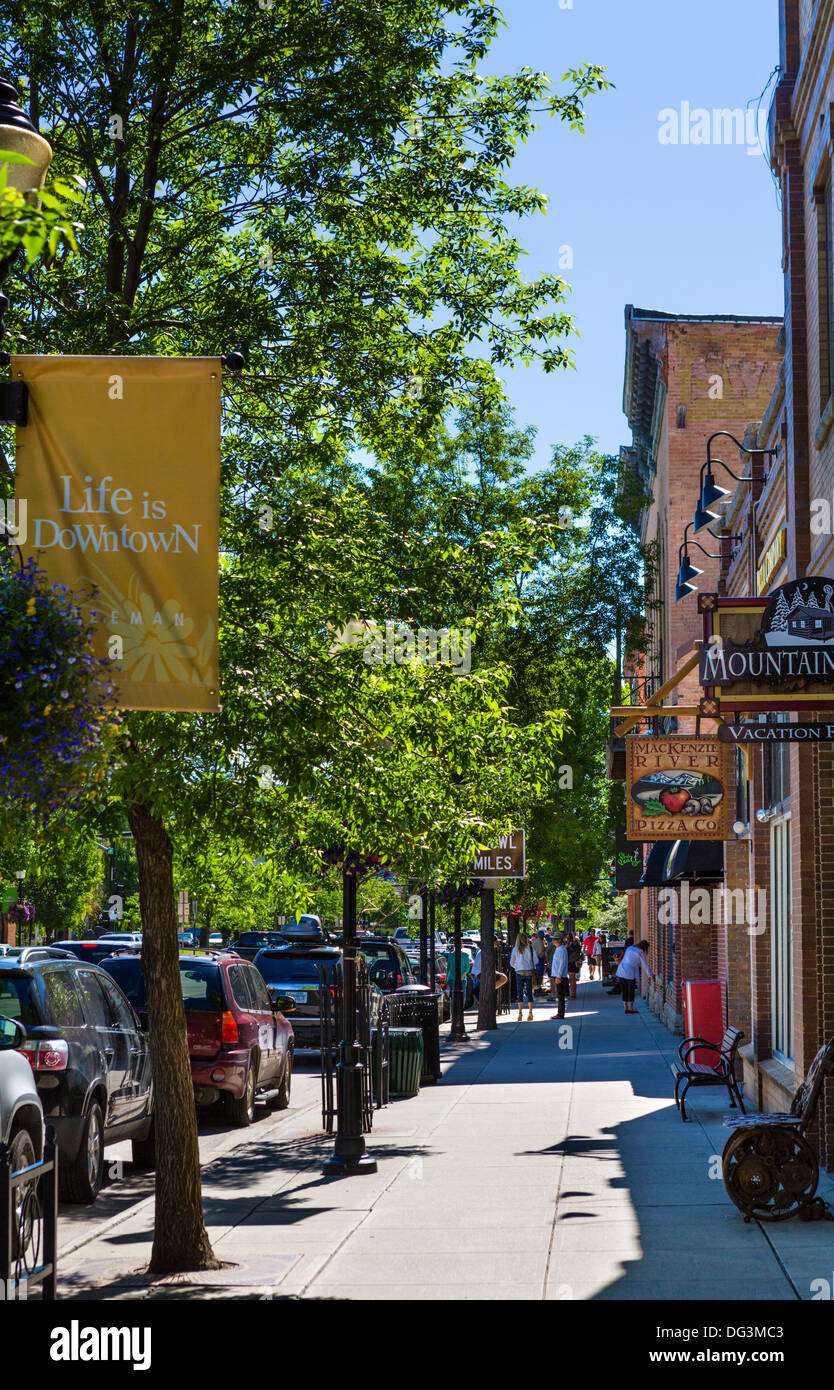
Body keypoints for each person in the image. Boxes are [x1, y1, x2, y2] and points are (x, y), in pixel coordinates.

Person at [615, 938, 654, 1014]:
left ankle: (625, 1008)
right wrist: (651, 975)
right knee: (631, 991)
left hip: (621, 970)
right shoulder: (640, 952)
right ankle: (631, 1008)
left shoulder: (630, 948)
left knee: (624, 990)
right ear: (644, 947)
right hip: (629, 973)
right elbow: (645, 965)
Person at [510, 930, 536, 1021]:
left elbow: (511, 963)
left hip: (519, 972)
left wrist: (517, 967)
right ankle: (530, 1013)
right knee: (529, 992)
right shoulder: (530, 948)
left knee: (519, 992)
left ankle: (520, 1013)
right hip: (529, 972)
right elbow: (535, 961)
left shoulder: (515, 949)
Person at [549, 934, 569, 1018]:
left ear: (560, 940)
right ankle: (559, 1013)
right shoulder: (558, 949)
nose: (553, 940)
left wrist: (559, 976)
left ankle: (560, 1014)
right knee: (559, 995)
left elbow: (562, 964)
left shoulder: (562, 950)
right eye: (553, 939)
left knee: (560, 996)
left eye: (555, 939)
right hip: (558, 975)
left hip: (560, 976)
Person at [566, 931, 583, 1000]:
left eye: (567, 938)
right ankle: (573, 994)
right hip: (572, 962)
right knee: (572, 979)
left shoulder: (574, 945)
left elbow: (574, 948)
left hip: (572, 963)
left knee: (572, 979)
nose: (566, 939)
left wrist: (573, 937)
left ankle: (573, 995)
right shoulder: (573, 945)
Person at [532, 929, 547, 996]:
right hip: (539, 960)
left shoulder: (534, 941)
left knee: (536, 975)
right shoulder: (540, 942)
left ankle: (537, 989)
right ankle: (538, 990)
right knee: (539, 976)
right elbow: (541, 953)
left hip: (534, 960)